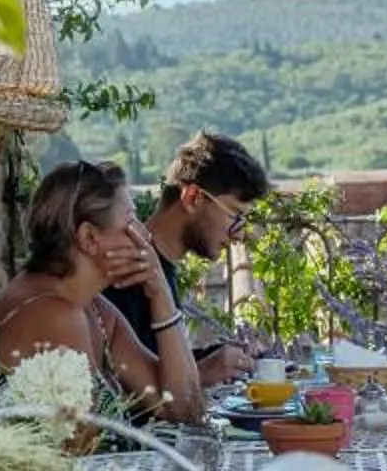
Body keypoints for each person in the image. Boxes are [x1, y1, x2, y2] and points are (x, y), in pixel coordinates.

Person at [0, 160, 206, 423]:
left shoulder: (95, 309)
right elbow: (85, 449)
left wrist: (161, 293)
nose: (144, 235)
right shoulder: (54, 315)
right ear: (89, 238)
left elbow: (184, 408)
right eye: (131, 221)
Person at [103, 131, 271, 388]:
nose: (240, 233)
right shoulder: (128, 271)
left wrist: (214, 358)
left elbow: (154, 359)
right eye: (234, 215)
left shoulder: (159, 266)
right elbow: (120, 390)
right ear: (193, 198)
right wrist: (202, 372)